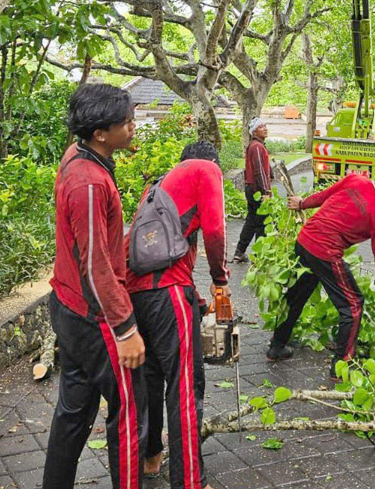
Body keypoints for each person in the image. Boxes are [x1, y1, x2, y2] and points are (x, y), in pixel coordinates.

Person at [44, 84, 146, 489]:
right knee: (130, 408)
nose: (133, 127)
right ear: (100, 133)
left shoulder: (80, 153)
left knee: (74, 408)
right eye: (126, 123)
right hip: (94, 317)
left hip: (69, 305)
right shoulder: (87, 181)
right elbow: (95, 264)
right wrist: (125, 329)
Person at [126, 141, 230, 489]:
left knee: (152, 381)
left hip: (138, 295)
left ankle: (151, 458)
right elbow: (216, 231)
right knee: (186, 387)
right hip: (166, 293)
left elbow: (170, 251)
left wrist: (196, 299)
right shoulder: (206, 169)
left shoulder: (157, 187)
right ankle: (189, 482)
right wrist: (220, 281)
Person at [268, 161, 375, 379]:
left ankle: (276, 346)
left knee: (295, 296)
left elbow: (324, 195)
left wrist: (302, 203)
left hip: (304, 241)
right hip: (325, 253)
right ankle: (340, 368)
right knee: (352, 306)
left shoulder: (355, 180)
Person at [232, 118, 271, 263]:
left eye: (265, 125)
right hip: (257, 190)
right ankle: (259, 256)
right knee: (261, 224)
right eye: (261, 127)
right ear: (254, 131)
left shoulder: (255, 146)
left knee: (251, 221)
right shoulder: (257, 147)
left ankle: (239, 252)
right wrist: (266, 191)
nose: (265, 128)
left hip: (251, 189)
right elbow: (259, 171)